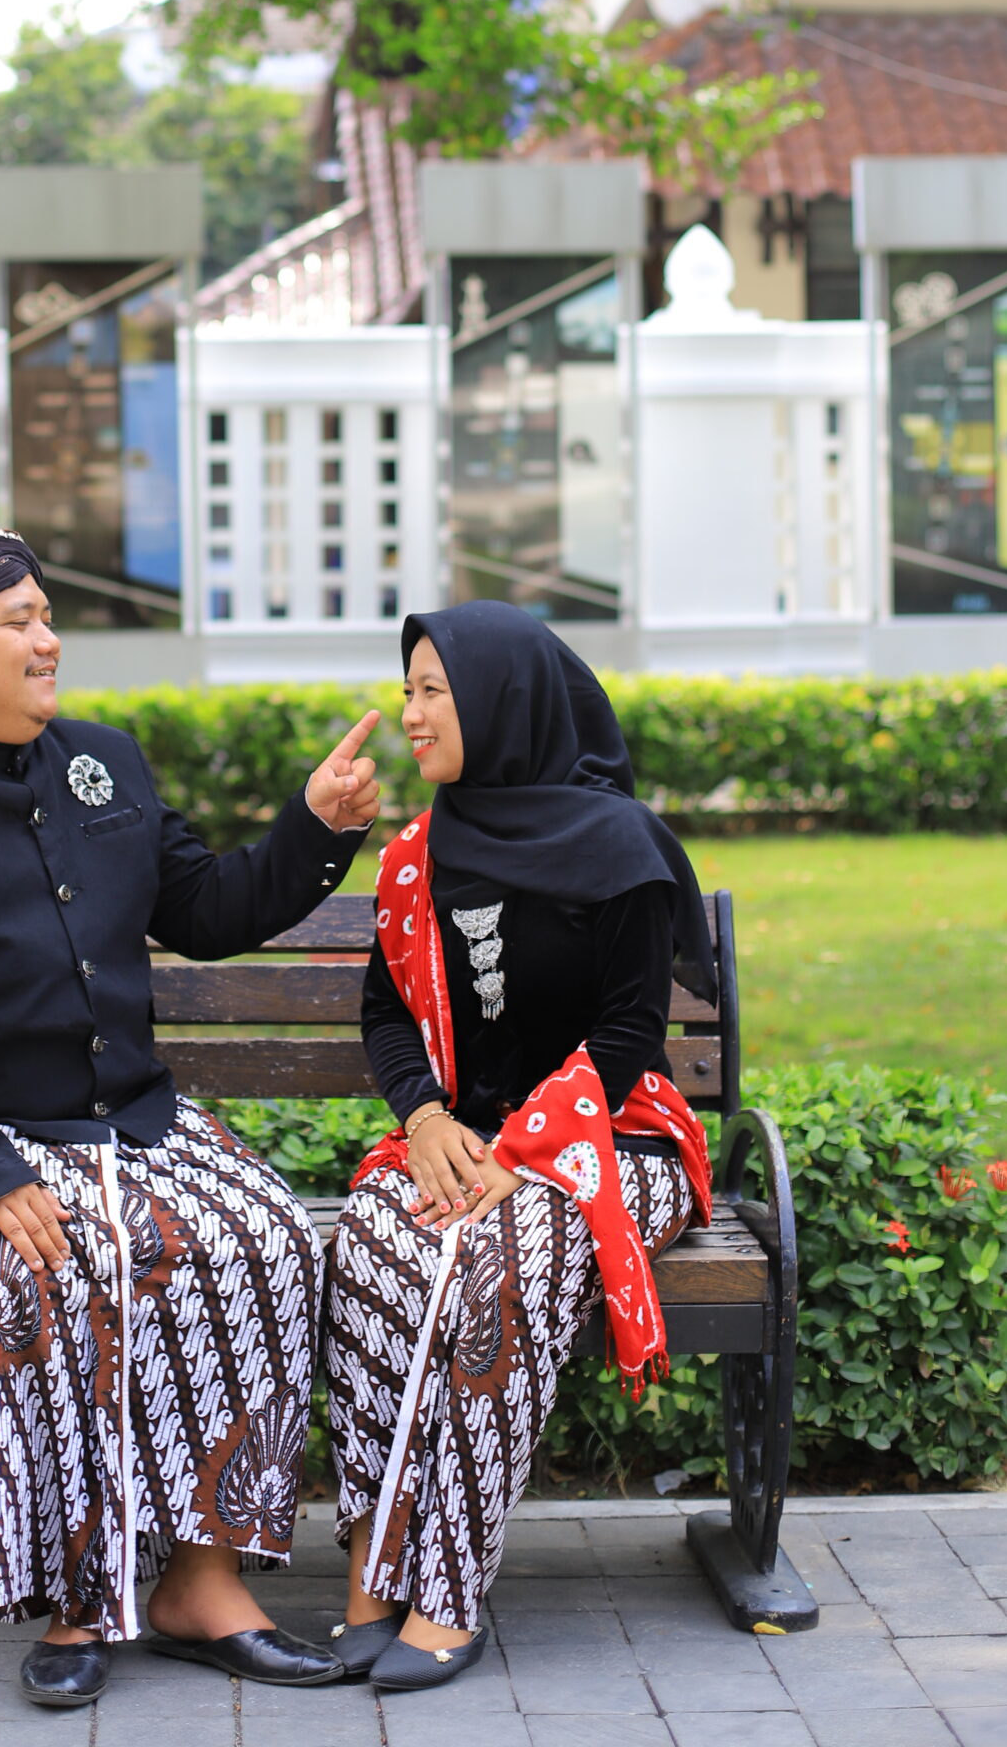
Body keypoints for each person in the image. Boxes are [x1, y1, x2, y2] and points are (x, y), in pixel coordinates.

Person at [0, 524, 382, 1706]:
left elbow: (204, 910)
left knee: (264, 1239)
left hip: (132, 1124)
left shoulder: (103, 762)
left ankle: (202, 1584)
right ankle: (74, 1597)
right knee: (36, 1270)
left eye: (47, 616)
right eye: (18, 621)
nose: (48, 639)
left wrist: (316, 828)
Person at [322, 599, 716, 1692]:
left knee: (501, 1267)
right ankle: (373, 1565)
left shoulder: (620, 846)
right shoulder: (418, 854)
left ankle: (449, 1588)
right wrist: (425, 1119)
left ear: (503, 700)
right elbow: (386, 1015)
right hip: (462, 1139)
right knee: (373, 1245)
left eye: (432, 691)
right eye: (407, 689)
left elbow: (631, 1034)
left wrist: (521, 1153)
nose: (410, 714)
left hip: (613, 1134)